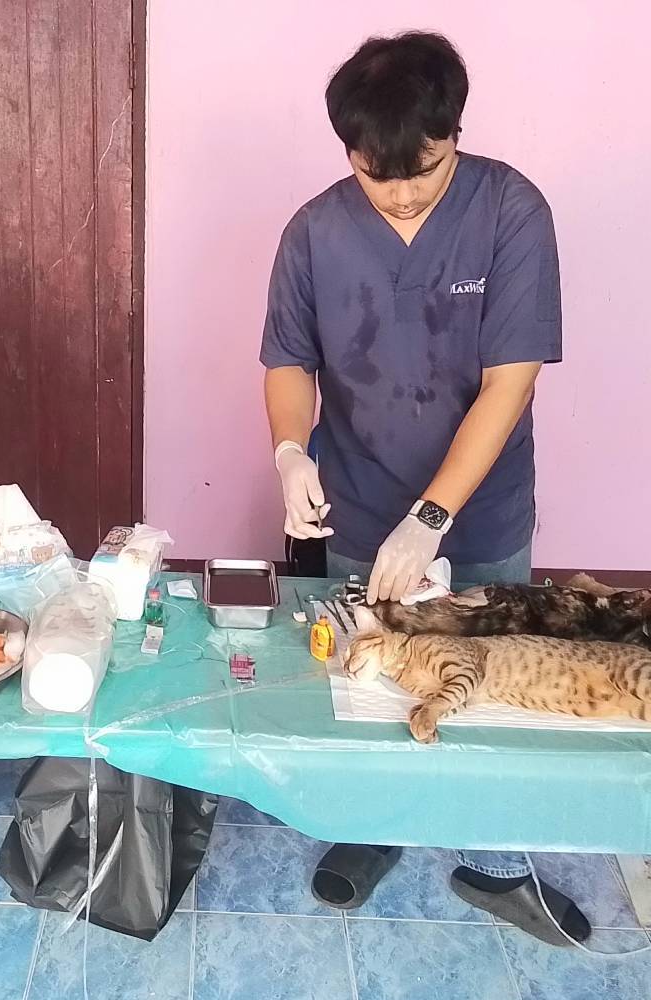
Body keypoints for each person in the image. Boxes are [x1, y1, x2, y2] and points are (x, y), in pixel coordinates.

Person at [260, 32, 588, 946]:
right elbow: (288, 361)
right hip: (360, 499)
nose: (403, 193)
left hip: (479, 510)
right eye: (378, 175)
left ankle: (497, 863)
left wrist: (433, 515)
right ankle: (374, 826)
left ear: (457, 134)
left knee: (495, 677)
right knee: (370, 672)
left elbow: (510, 383)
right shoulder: (314, 232)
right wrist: (290, 452)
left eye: (426, 169)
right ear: (349, 152)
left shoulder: (511, 211)